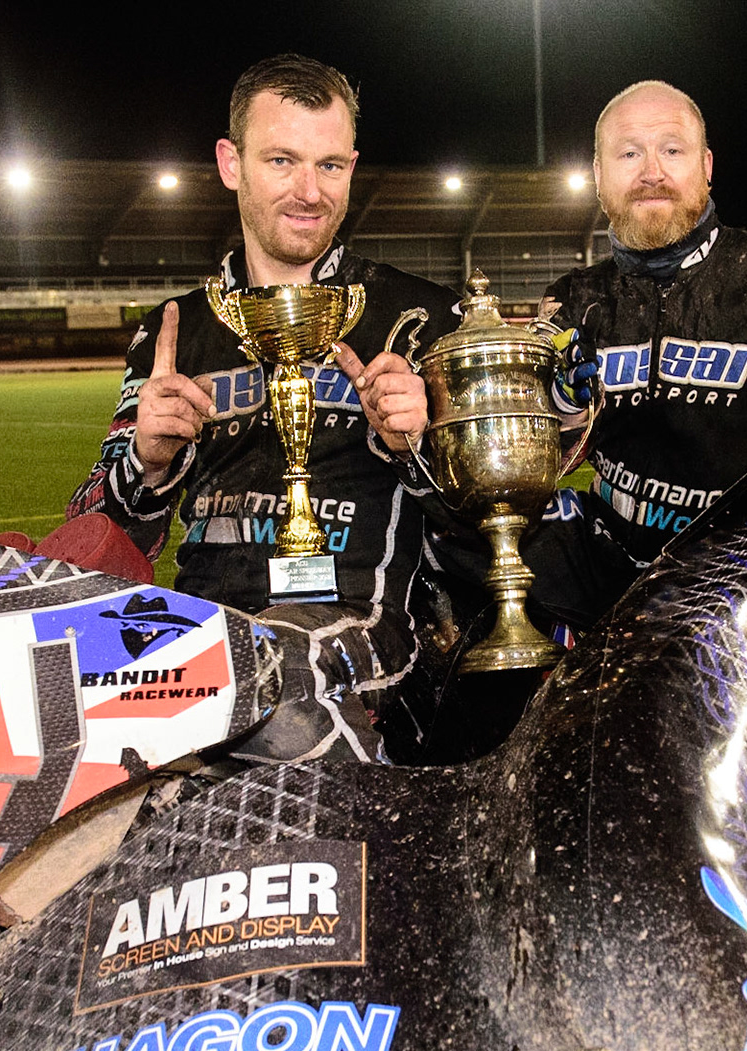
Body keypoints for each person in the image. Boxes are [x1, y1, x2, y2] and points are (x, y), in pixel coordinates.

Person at [65, 54, 459, 764]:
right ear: (230, 163)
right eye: (282, 160)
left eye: (331, 166)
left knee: (271, 676)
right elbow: (100, 533)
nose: (310, 192)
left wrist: (420, 448)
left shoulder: (421, 316)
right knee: (57, 686)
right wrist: (148, 462)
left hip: (356, 619)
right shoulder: (174, 330)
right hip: (201, 617)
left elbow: (485, 528)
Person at [435, 79, 747, 632]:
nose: (651, 172)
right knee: (453, 545)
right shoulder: (574, 298)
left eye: (672, 149)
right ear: (599, 176)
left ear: (706, 165)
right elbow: (545, 454)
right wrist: (562, 406)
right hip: (614, 551)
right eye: (629, 153)